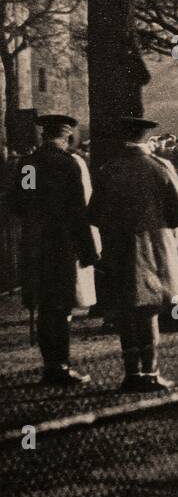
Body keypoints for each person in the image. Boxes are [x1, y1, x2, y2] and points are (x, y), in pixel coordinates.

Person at [89, 116, 178, 392]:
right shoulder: (160, 167)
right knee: (149, 310)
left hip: (119, 249)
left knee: (126, 309)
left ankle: (131, 372)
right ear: (147, 137)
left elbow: (94, 213)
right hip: (154, 249)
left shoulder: (107, 169)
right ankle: (151, 372)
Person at [5, 114, 99, 387]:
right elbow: (79, 210)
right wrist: (89, 249)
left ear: (44, 135)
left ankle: (51, 365)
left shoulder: (29, 164)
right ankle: (60, 366)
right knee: (60, 306)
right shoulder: (70, 164)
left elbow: (19, 203)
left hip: (35, 243)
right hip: (62, 243)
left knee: (46, 305)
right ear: (67, 135)